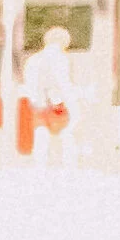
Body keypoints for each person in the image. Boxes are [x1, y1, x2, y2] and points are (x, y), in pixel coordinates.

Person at [19, 24, 78, 164]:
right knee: (66, 133)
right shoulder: (62, 58)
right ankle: (68, 165)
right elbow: (63, 83)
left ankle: (40, 165)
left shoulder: (33, 59)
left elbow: (29, 82)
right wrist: (72, 101)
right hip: (57, 101)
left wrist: (34, 98)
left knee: (41, 132)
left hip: (37, 101)